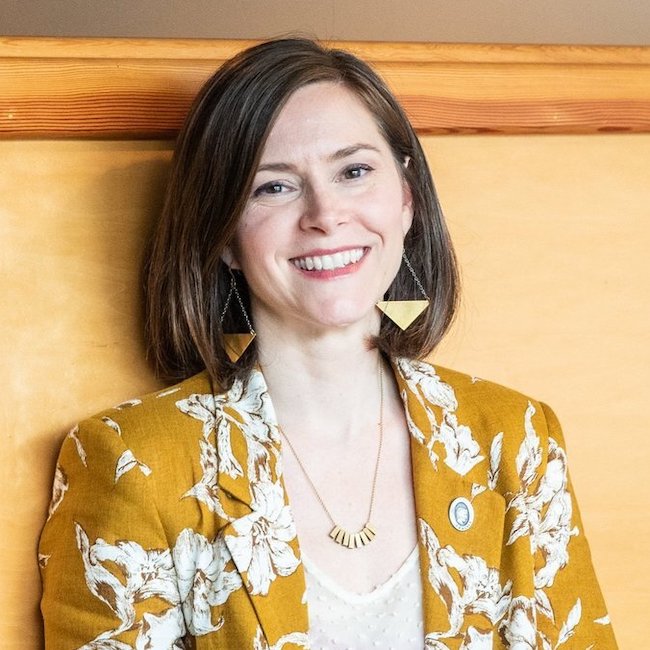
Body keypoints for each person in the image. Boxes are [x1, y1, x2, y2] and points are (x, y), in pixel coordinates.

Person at [39, 38, 617, 649]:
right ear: (225, 235)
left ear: (406, 198)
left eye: (354, 171)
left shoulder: (517, 437)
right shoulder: (133, 461)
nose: (325, 213)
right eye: (274, 187)